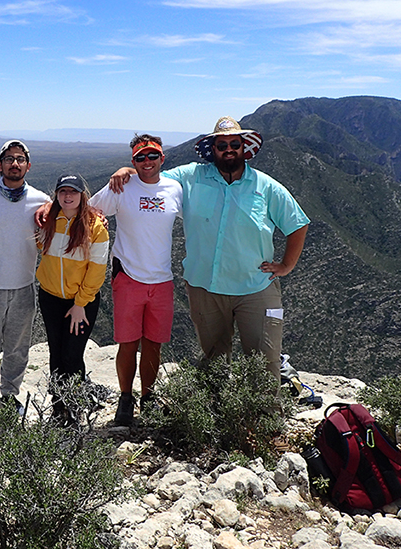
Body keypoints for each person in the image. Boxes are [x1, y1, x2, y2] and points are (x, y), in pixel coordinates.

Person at [111, 116, 309, 381]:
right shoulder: (191, 177)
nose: (229, 149)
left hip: (256, 287)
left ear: (244, 147)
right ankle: (215, 418)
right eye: (222, 145)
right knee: (214, 361)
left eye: (234, 144)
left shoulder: (266, 186)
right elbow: (153, 177)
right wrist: (129, 170)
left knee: (265, 360)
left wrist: (287, 265)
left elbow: (297, 224)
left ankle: (265, 420)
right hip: (205, 287)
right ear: (213, 150)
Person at [90, 134, 182, 426]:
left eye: (152, 156)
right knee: (128, 344)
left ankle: (149, 396)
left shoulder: (175, 189)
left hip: (162, 279)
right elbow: (90, 209)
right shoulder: (122, 187)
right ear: (133, 161)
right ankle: (126, 398)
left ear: (162, 158)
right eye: (140, 158)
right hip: (128, 276)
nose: (147, 162)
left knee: (154, 344)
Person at [0, 140, 50, 415]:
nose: (14, 163)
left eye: (20, 159)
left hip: (23, 285)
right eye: (9, 158)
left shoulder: (41, 201)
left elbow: (74, 211)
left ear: (28, 165)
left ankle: (9, 395)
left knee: (18, 348)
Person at [36, 173, 109, 425]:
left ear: (82, 195)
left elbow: (98, 270)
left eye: (73, 192)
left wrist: (80, 304)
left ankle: (75, 407)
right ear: (56, 194)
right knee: (56, 353)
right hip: (50, 298)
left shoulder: (95, 227)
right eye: (63, 191)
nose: (68, 196)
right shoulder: (47, 221)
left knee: (72, 355)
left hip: (81, 302)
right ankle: (59, 411)